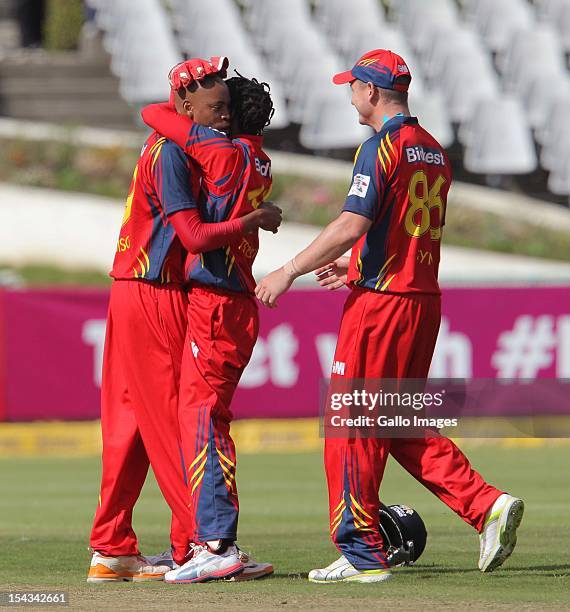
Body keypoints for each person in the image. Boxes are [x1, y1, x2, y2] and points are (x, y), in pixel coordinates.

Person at [255, 49, 524, 583]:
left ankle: (361, 552)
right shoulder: (432, 148)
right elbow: (398, 229)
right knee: (394, 421)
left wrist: (288, 270)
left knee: (351, 423)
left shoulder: (382, 146)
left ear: (371, 92)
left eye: (352, 87)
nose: (350, 95)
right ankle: (485, 505)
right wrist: (354, 269)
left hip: (383, 306)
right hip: (421, 298)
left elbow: (354, 222)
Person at [87, 58, 281, 583]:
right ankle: (200, 542)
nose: (220, 119)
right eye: (213, 108)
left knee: (129, 423)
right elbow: (192, 234)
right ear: (186, 105)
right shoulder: (176, 149)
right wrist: (252, 219)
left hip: (131, 286)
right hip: (157, 290)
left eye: (225, 109)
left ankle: (112, 546)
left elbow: (156, 114)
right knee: (179, 421)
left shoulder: (168, 140)